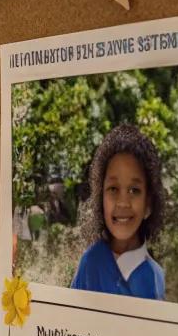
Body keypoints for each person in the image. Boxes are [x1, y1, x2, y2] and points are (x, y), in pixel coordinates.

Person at [71, 125, 166, 300]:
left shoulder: (155, 278)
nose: (123, 202)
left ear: (148, 205)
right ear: (101, 199)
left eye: (134, 190)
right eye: (113, 189)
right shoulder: (90, 263)